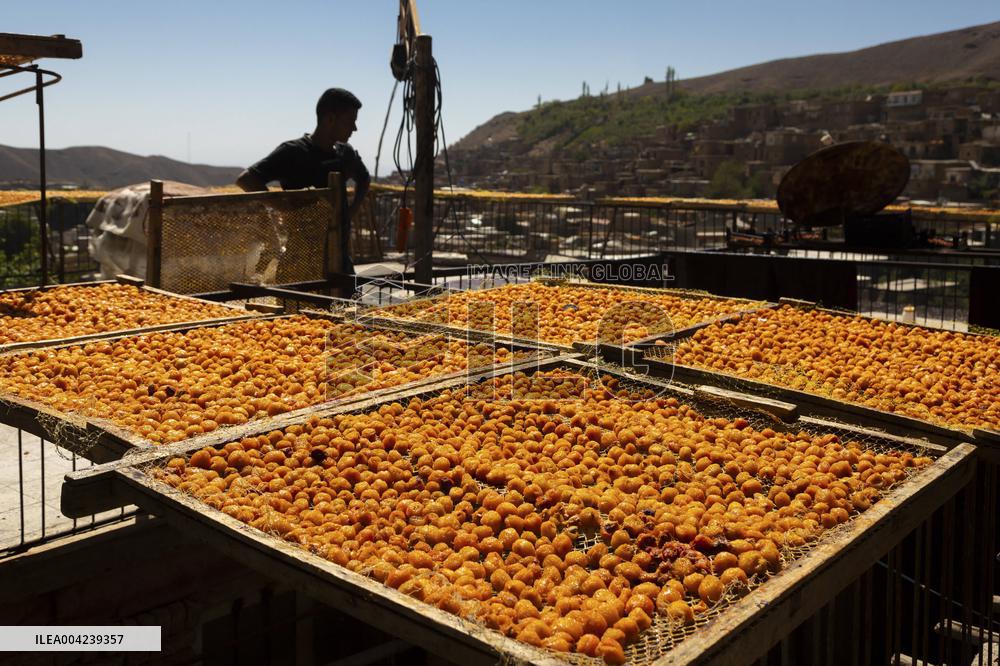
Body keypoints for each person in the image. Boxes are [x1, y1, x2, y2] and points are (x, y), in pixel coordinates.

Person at [236, 87, 370, 276]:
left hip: (340, 262)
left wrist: (353, 209)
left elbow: (364, 179)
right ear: (330, 119)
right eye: (350, 122)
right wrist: (284, 208)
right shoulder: (293, 152)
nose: (354, 128)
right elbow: (247, 179)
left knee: (346, 305)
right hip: (301, 260)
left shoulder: (345, 154)